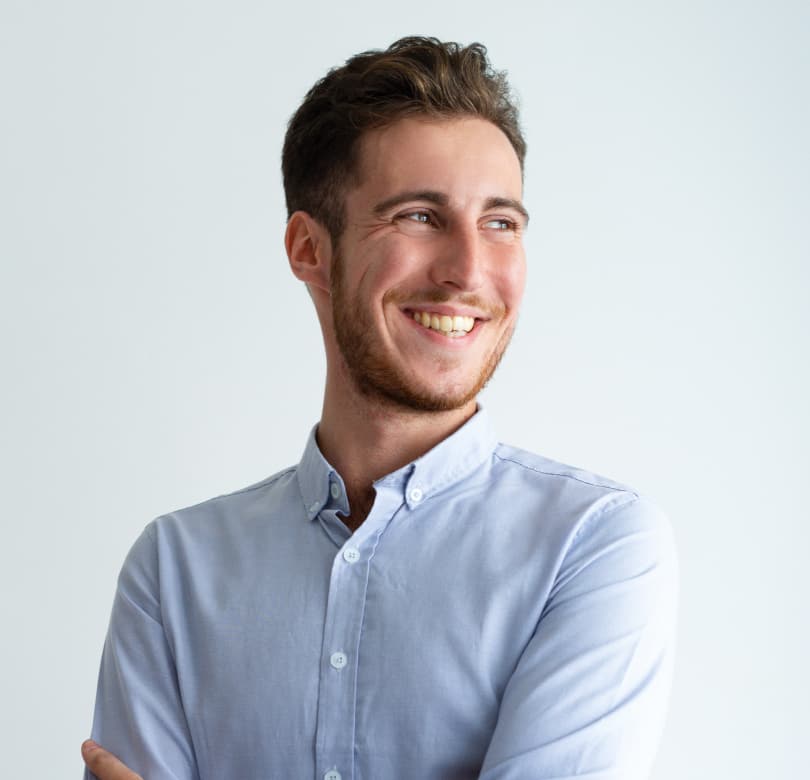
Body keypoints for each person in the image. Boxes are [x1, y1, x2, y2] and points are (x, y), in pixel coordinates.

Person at [83, 36, 678, 780]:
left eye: (500, 222)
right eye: (419, 217)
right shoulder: (173, 573)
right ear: (309, 248)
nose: (468, 270)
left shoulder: (593, 548)